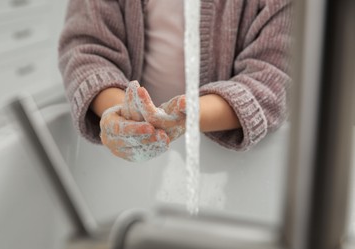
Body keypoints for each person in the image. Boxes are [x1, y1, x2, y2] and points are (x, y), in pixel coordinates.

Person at [58, 0, 292, 162]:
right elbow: (86, 49)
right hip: (130, 157)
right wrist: (126, 114)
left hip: (243, 165)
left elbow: (275, 77)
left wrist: (187, 116)